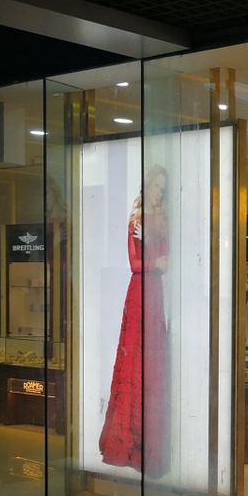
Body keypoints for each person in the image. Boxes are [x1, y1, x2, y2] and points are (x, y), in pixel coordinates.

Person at [99, 164, 170, 474]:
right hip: (140, 292)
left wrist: (152, 246)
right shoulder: (136, 221)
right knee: (135, 360)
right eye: (155, 186)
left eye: (163, 188)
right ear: (146, 186)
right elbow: (135, 264)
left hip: (155, 293)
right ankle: (128, 442)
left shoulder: (161, 222)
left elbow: (165, 264)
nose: (159, 192)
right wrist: (154, 256)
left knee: (152, 360)